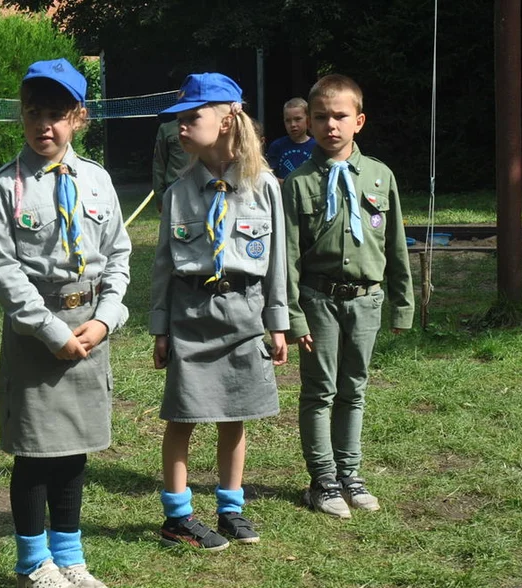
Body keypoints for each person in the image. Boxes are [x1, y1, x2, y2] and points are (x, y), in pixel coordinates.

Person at [0, 58, 131, 588]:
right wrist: (51, 332)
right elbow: (2, 268)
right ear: (22, 117)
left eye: (56, 114)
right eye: (33, 113)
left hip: (91, 331)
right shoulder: (7, 186)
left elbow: (118, 254)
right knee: (36, 452)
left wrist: (105, 319)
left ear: (79, 117)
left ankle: (69, 556)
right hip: (37, 336)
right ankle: (32, 564)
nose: (44, 125)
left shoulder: (97, 180)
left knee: (75, 452)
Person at [150, 73, 289, 551]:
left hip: (245, 312)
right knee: (182, 417)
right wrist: (160, 328)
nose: (181, 128)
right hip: (191, 314)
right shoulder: (178, 192)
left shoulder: (263, 186)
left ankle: (231, 510)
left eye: (193, 117)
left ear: (228, 117)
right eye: (179, 120)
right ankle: (178, 517)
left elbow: (278, 262)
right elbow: (163, 267)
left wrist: (278, 323)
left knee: (237, 413)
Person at [283, 74, 413, 518]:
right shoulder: (297, 183)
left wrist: (403, 303)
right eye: (321, 117)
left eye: (340, 116)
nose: (329, 125)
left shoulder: (380, 176)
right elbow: (287, 258)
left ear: (359, 121)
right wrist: (293, 317)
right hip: (317, 299)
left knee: (353, 389)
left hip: (366, 301)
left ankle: (350, 474)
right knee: (319, 391)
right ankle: (322, 480)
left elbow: (394, 244)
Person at [266, 97, 316, 181]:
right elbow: (269, 175)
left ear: (308, 119)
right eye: (288, 120)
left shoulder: (316, 146)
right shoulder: (277, 146)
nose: (292, 124)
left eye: (298, 119)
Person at [153, 118, 191, 213]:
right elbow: (159, 165)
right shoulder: (167, 128)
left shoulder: (209, 125)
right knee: (179, 227)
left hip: (205, 190)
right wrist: (160, 197)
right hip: (176, 192)